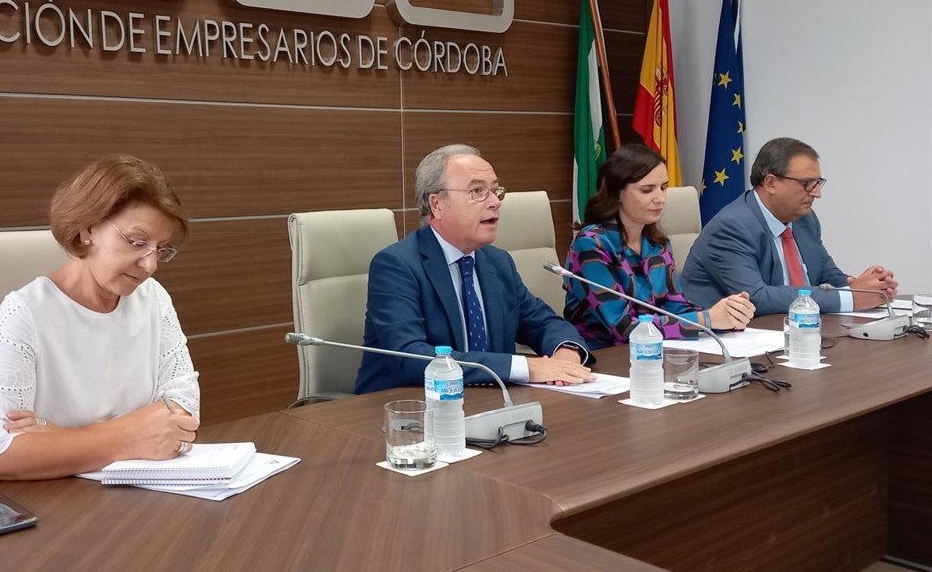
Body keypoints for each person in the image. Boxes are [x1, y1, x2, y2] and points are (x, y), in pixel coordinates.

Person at [0, 155, 200, 481]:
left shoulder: (154, 299)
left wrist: (57, 435)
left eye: (160, 249)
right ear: (88, 228)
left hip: (136, 495)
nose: (150, 265)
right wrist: (130, 437)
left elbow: (183, 410)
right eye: (137, 242)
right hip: (52, 501)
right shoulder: (25, 311)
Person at [355, 144, 595, 394]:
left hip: (488, 402)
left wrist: (567, 353)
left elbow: (542, 322)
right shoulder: (396, 265)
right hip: (405, 406)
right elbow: (411, 357)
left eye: (495, 190)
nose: (495, 202)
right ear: (437, 204)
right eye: (477, 191)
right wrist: (527, 367)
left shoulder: (497, 262)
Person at [564, 144, 755, 349]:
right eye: (647, 190)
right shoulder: (591, 244)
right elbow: (624, 329)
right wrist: (706, 319)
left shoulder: (658, 244)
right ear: (617, 192)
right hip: (604, 356)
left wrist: (728, 314)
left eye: (663, 188)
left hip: (657, 350)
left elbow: (677, 308)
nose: (660, 199)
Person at [681, 137, 897, 315]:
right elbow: (756, 298)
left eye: (818, 183)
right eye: (807, 183)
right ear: (771, 183)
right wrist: (850, 297)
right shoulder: (732, 227)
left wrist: (865, 286)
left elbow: (825, 272)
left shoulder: (805, 219)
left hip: (792, 330)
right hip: (722, 340)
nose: (817, 193)